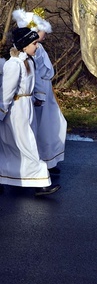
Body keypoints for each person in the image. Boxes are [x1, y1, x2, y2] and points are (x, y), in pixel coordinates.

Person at [0, 27, 61, 196]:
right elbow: (6, 92)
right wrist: (1, 112)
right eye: (34, 43)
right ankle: (41, 182)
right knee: (26, 146)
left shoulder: (29, 61)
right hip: (16, 111)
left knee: (17, 146)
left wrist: (37, 98)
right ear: (24, 45)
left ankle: (4, 177)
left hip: (27, 108)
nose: (36, 46)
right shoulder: (13, 64)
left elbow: (34, 84)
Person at [12, 8, 67, 175]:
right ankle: (43, 161)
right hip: (39, 93)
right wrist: (40, 95)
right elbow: (35, 73)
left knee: (53, 126)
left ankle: (50, 159)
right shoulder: (33, 51)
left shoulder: (38, 48)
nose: (45, 34)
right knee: (42, 128)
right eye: (43, 30)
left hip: (46, 92)